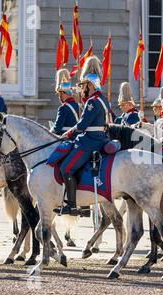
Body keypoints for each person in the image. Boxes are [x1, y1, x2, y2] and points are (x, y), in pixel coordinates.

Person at [56, 56, 111, 216]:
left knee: (66, 168)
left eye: (83, 85)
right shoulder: (103, 99)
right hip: (101, 138)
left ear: (89, 84)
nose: (82, 89)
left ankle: (72, 205)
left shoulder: (92, 101)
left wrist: (68, 133)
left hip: (90, 142)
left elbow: (81, 126)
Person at [50, 69, 80, 136]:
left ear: (63, 93)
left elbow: (57, 128)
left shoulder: (63, 108)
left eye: (59, 93)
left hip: (67, 139)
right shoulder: (78, 105)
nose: (59, 96)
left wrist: (50, 132)